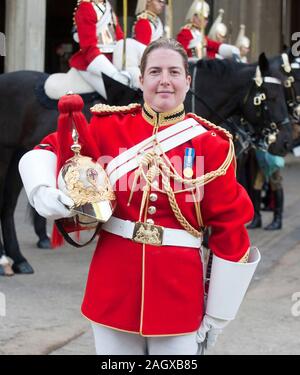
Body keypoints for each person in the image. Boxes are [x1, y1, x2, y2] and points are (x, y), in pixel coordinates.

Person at [19, 38, 260, 355]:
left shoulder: (212, 145)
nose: (165, 80)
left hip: (180, 298)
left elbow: (230, 229)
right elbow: (51, 148)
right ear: (141, 79)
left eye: (174, 72)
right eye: (155, 71)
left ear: (187, 81)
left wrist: (218, 313)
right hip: (113, 290)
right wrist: (41, 190)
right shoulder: (108, 126)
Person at [69, 0, 131, 99]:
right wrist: (114, 74)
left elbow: (119, 38)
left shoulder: (107, 6)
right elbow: (89, 47)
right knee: (120, 98)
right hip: (93, 61)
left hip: (112, 58)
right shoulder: (86, 7)